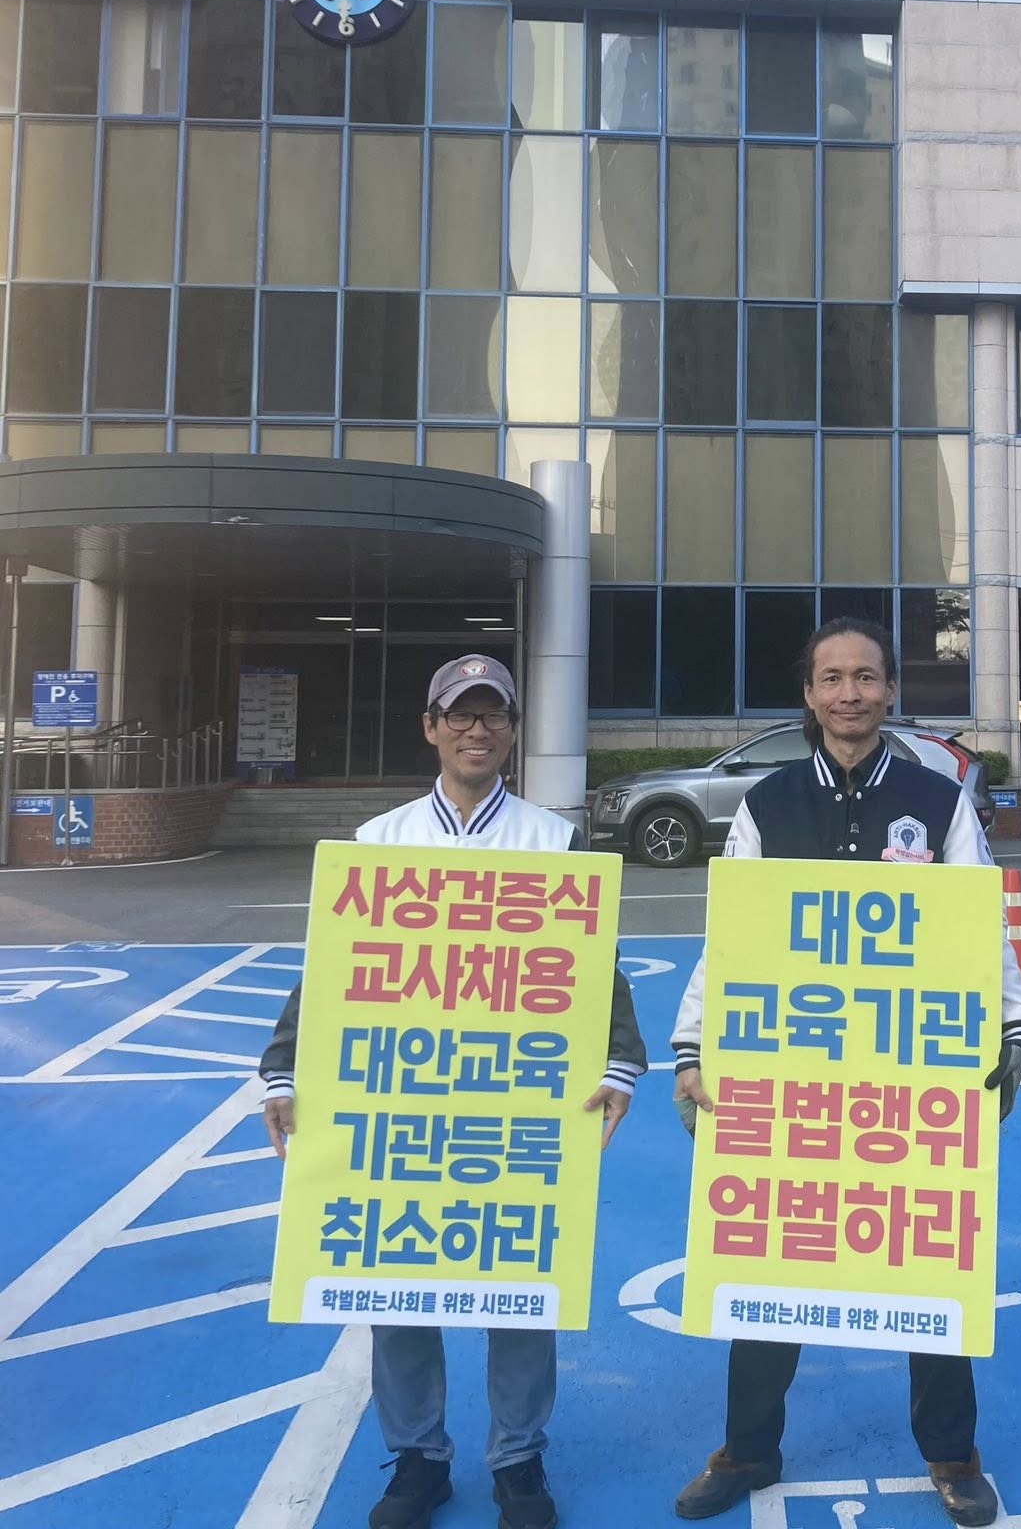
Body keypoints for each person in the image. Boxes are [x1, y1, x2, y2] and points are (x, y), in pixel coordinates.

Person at [259, 653, 647, 1529]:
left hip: (517, 1098)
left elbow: (598, 962)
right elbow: (330, 965)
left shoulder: (553, 840)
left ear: (512, 730)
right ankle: (418, 1459)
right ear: (431, 728)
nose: (478, 729)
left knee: (523, 1273)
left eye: (493, 714)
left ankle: (519, 1460)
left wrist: (619, 1061)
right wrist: (283, 1068)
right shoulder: (378, 841)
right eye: (460, 714)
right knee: (395, 1275)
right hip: (403, 1096)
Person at [670, 619, 1021, 1529]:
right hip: (788, 1079)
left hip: (910, 1082)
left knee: (929, 1259)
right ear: (809, 693)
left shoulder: (938, 801)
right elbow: (731, 937)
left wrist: (1014, 1028)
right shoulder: (769, 802)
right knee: (768, 1257)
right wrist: (694, 1047)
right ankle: (747, 1449)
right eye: (831, 678)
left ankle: (952, 1455)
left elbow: (980, 923)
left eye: (866, 677)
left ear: (890, 690)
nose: (850, 694)